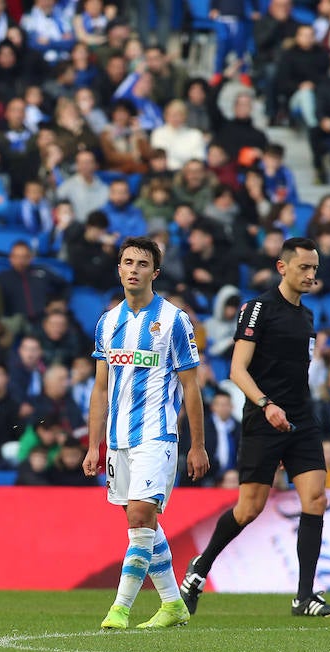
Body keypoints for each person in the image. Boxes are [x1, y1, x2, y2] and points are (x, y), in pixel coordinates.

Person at [179, 237, 330, 618]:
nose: (310, 275)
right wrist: (267, 405)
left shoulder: (307, 316)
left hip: (301, 419)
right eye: (304, 267)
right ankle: (198, 571)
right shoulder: (257, 309)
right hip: (263, 416)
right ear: (282, 267)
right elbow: (237, 370)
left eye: (314, 269)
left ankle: (304, 596)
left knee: (315, 499)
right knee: (249, 508)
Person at [82, 236, 208, 630]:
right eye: (127, 262)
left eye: (142, 264)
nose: (133, 269)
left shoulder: (173, 320)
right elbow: (100, 388)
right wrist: (93, 445)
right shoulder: (108, 322)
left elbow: (191, 386)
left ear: (155, 272)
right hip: (118, 440)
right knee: (142, 524)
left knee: (139, 515)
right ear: (118, 269)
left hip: (157, 434)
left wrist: (197, 445)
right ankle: (173, 603)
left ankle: (119, 609)